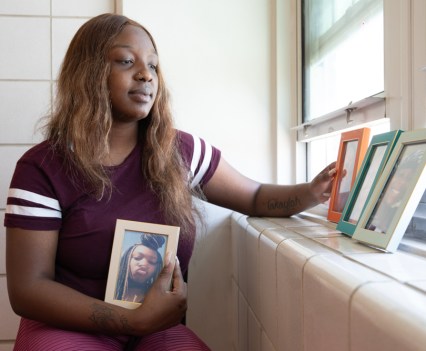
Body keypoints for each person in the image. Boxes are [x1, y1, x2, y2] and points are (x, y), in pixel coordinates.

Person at [4, 13, 336, 351]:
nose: (146, 74)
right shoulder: (42, 168)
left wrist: (312, 192)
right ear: (88, 73)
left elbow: (254, 196)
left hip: (155, 331)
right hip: (69, 326)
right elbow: (28, 289)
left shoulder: (181, 151)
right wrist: (130, 319)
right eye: (126, 61)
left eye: (154, 65)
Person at [115, 233, 165, 303]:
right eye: (137, 258)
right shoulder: (112, 289)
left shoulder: (159, 300)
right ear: (126, 260)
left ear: (157, 268)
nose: (144, 264)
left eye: (152, 262)